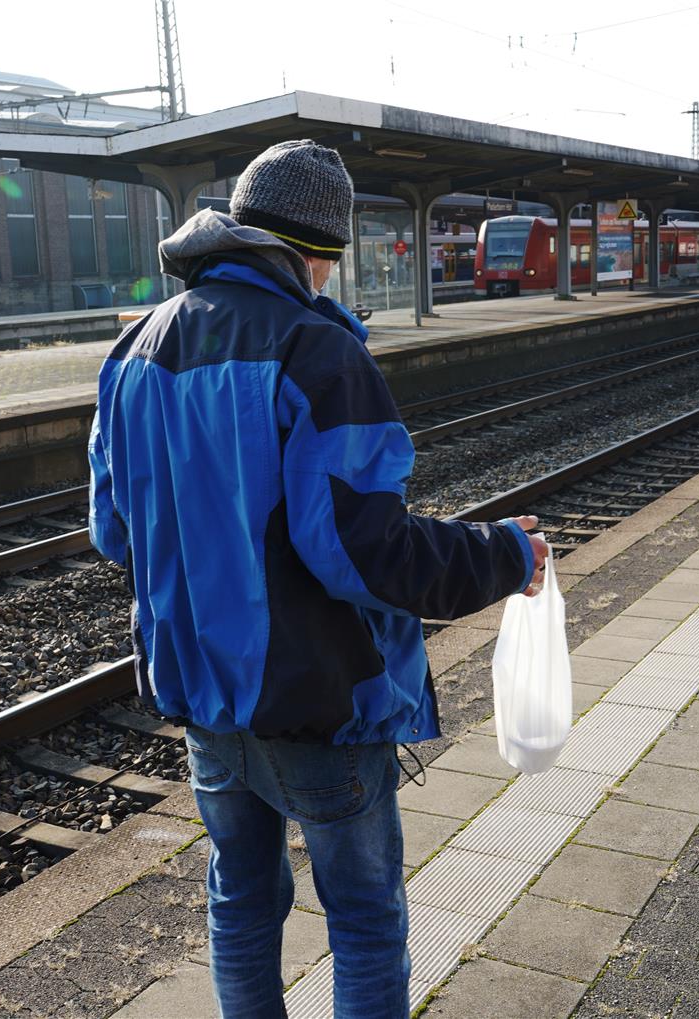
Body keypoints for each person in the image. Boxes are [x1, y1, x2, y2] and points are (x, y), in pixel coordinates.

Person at [88, 139, 547, 1019]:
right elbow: (366, 553)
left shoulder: (135, 349)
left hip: (201, 697)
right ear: (319, 256)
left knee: (242, 899)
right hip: (315, 702)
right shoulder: (318, 353)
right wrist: (504, 553)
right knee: (367, 920)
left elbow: (117, 531)